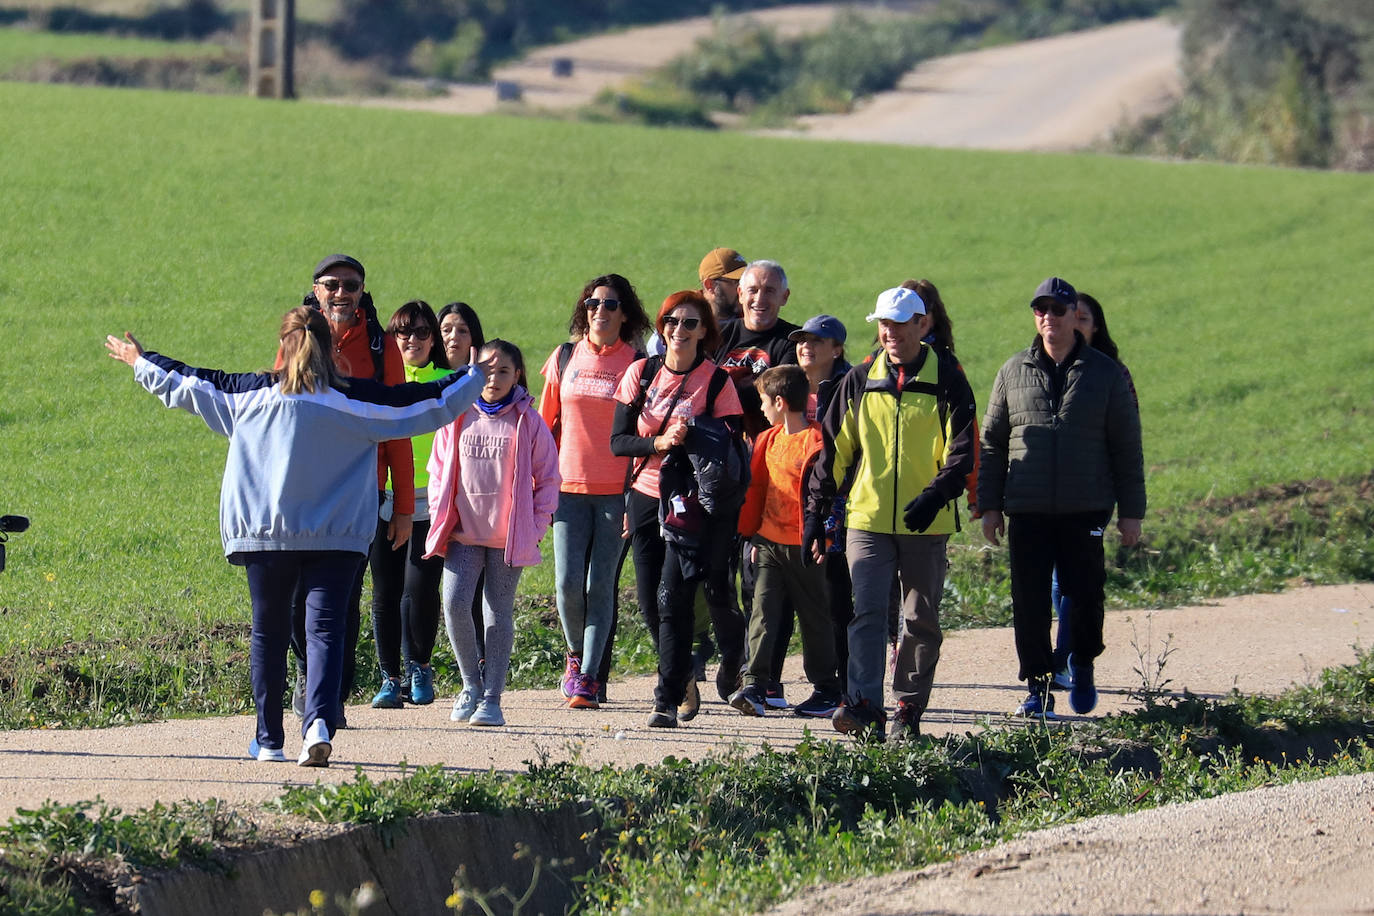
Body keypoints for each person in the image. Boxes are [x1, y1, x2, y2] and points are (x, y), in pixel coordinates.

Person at [104, 307, 489, 766]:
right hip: (337, 538)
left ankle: (269, 741)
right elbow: (422, 401)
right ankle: (319, 724)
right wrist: (471, 377)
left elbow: (188, 382)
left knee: (268, 634)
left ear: (282, 345)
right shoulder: (354, 401)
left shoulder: (247, 396)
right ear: (329, 347)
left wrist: (140, 362)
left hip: (266, 537)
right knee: (325, 629)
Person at [806, 287, 977, 742]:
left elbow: (963, 453)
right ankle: (864, 705)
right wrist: (815, 514)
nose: (890, 332)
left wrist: (934, 496)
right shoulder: (860, 379)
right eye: (884, 324)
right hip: (868, 517)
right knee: (866, 612)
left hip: (928, 522)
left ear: (922, 325)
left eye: (900, 324)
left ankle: (907, 706)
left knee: (919, 618)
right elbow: (834, 452)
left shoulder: (948, 379)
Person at [978, 277, 1145, 720]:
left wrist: (1131, 513)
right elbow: (992, 442)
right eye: (1041, 309)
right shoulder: (1013, 371)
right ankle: (1037, 687)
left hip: (1085, 506)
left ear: (1075, 316)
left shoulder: (1105, 374)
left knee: (1084, 593)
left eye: (1057, 309)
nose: (1048, 317)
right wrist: (989, 505)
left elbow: (1127, 447)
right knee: (1029, 600)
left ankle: (1082, 660)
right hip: (1027, 507)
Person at [287, 254, 412, 726]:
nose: (342, 294)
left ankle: (330, 694)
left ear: (362, 292)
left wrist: (402, 507)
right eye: (332, 285)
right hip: (302, 492)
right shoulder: (296, 341)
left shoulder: (380, 350)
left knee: (342, 595)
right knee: (299, 597)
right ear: (316, 290)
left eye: (351, 286)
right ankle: (308, 670)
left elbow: (398, 427)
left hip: (360, 491)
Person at [611, 291, 744, 728]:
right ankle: (684, 674)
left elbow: (730, 449)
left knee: (674, 598)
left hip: (689, 503)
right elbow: (618, 442)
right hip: (645, 495)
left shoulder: (718, 382)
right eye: (671, 321)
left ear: (704, 330)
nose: (678, 330)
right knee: (650, 602)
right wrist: (659, 442)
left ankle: (665, 698)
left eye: (690, 323)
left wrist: (696, 435)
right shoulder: (640, 373)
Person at [427, 340, 560, 728]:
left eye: (504, 371)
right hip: (463, 534)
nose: (495, 378)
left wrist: (536, 526)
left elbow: (548, 479)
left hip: (508, 539)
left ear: (518, 375)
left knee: (496, 612)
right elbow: (438, 472)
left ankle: (492, 698)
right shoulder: (457, 415)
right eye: (487, 370)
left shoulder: (528, 421)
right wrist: (440, 513)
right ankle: (470, 684)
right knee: (453, 603)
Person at [539, 274, 650, 709]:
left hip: (617, 492)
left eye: (609, 304)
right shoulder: (565, 357)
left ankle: (587, 676)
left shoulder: (639, 365)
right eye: (591, 303)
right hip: (567, 488)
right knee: (567, 585)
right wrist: (537, 483)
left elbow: (645, 431)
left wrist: (637, 495)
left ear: (625, 315)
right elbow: (544, 427)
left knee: (599, 585)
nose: (598, 311)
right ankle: (575, 655)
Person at [731, 366, 842, 718]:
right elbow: (758, 490)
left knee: (815, 618)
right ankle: (754, 685)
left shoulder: (818, 442)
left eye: (764, 401)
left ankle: (827, 687)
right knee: (762, 611)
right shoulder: (767, 439)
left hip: (805, 546)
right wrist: (749, 535)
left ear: (780, 402)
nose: (761, 409)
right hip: (768, 542)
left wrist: (824, 536)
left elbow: (829, 495)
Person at [1050, 290, 1140, 683]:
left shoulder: (1113, 374)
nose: (1075, 324)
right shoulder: (1042, 367)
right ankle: (1069, 652)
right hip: (1044, 495)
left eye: (1083, 319)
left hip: (1092, 494)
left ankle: (1072, 655)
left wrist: (1129, 506)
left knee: (1078, 580)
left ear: (1095, 327)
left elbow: (1127, 440)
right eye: (1072, 317)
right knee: (1057, 582)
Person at [368, 300, 452, 709]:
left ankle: (419, 665)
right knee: (385, 591)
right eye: (403, 333)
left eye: (421, 333)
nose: (412, 340)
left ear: (433, 338)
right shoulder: (382, 382)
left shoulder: (447, 381)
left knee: (420, 589)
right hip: (384, 498)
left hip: (431, 501)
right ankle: (389, 677)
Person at [789, 314, 854, 695]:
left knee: (835, 597)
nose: (806, 347)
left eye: (816, 341)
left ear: (837, 349)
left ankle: (841, 687)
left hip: (836, 505)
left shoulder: (848, 388)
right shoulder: (793, 387)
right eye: (802, 340)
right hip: (792, 506)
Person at [436, 301, 490, 674]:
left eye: (462, 330)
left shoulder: (488, 380)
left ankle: (485, 664)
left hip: (483, 506)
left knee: (483, 594)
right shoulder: (429, 382)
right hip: (438, 500)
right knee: (444, 595)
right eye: (446, 330)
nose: (453, 337)